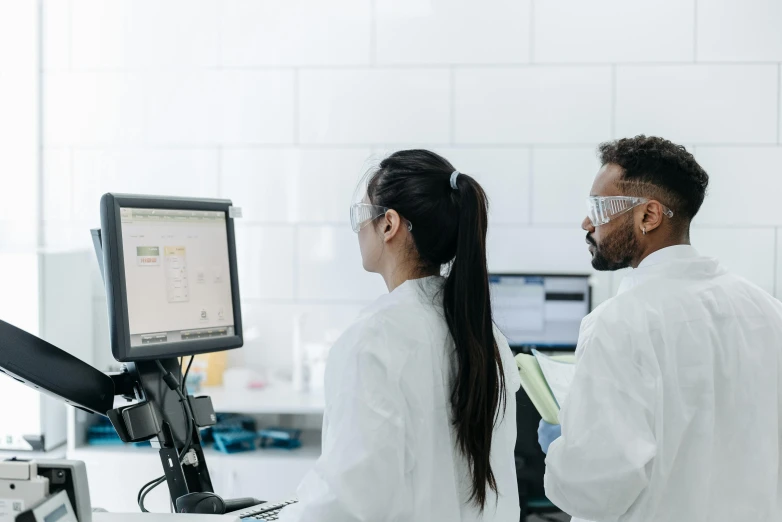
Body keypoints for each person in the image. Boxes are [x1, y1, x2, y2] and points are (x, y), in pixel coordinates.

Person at [538, 135, 782, 522]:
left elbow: (596, 488)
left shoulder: (618, 323)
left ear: (648, 216)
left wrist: (561, 448)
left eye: (597, 208)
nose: (587, 223)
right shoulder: (768, 311)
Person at [279, 150, 521, 522]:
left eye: (362, 216)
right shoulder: (484, 336)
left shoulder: (373, 340)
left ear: (389, 224)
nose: (358, 229)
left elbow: (345, 503)